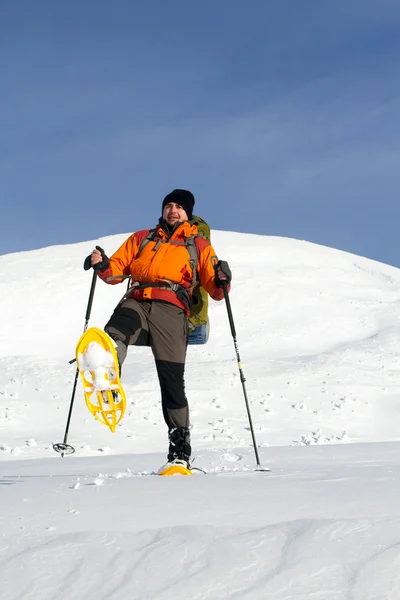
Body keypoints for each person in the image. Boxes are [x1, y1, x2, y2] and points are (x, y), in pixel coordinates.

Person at [85, 189, 231, 467]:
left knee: (172, 382)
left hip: (173, 308)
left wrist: (223, 279)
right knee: (116, 331)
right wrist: (102, 264)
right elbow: (116, 270)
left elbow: (214, 287)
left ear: (188, 213)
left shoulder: (198, 245)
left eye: (178, 207)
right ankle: (106, 372)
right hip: (138, 299)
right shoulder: (142, 238)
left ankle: (179, 452)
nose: (172, 210)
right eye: (168, 206)